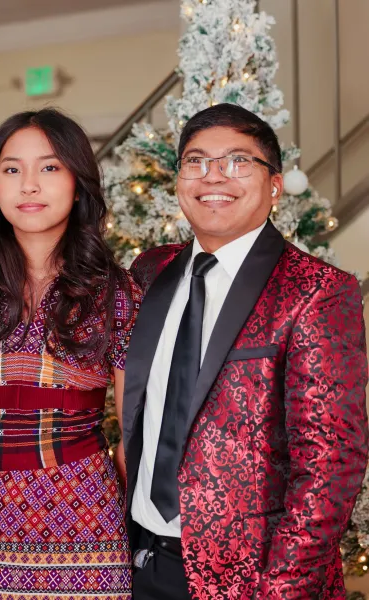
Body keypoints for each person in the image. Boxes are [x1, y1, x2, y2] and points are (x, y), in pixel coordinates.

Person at [121, 103, 369, 599]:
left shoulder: (316, 290)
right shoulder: (151, 271)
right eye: (196, 161)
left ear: (274, 185)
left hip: (253, 579)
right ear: (179, 181)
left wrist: (281, 589)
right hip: (140, 560)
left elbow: (331, 463)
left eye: (238, 160)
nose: (214, 175)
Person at [0, 108, 141, 600]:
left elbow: (135, 429)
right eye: (11, 169)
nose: (29, 185)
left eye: (49, 166)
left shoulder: (115, 291)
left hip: (90, 520)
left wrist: (103, 495)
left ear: (78, 184)